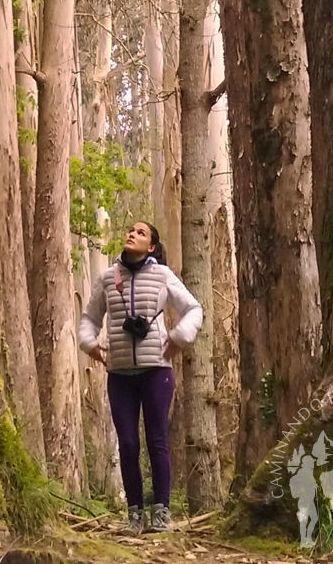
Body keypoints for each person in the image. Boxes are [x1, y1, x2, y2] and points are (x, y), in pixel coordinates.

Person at [78, 222, 203, 535]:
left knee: (157, 440)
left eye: (141, 233)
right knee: (128, 443)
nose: (132, 234)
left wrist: (179, 337)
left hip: (156, 371)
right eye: (130, 231)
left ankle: (161, 514)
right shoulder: (109, 277)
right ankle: (134, 515)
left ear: (151, 247)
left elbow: (193, 309)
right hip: (119, 374)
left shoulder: (162, 275)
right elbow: (89, 319)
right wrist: (90, 345)